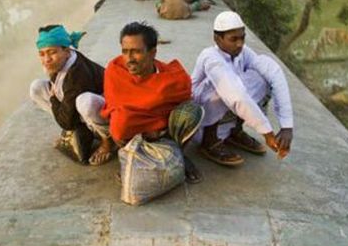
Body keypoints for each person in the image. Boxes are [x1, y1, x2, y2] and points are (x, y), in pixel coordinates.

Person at [101, 22, 203, 182]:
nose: (129, 59)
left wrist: (157, 129)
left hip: (162, 133)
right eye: (125, 52)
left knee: (192, 112)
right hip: (131, 132)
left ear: (153, 52)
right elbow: (114, 106)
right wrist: (147, 128)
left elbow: (182, 104)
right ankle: (128, 155)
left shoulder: (173, 78)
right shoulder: (115, 70)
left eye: (136, 52)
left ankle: (178, 154)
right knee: (116, 120)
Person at [191, 11, 293, 166]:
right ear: (217, 39)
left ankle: (234, 131)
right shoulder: (211, 58)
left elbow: (274, 73)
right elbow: (236, 95)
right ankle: (209, 141)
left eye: (242, 38)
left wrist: (287, 126)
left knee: (261, 78)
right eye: (233, 39)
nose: (239, 44)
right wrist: (267, 132)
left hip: (227, 106)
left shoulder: (242, 52)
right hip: (199, 117)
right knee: (223, 87)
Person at [29, 24, 114, 165]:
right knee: (36, 88)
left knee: (85, 102)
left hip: (108, 110)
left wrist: (53, 99)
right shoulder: (61, 59)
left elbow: (67, 123)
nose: (46, 59)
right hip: (74, 100)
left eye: (51, 52)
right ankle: (82, 129)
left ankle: (108, 139)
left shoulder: (77, 75)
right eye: (42, 54)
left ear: (67, 51)